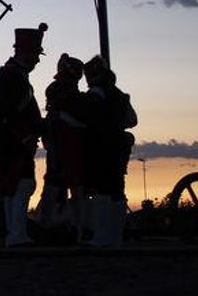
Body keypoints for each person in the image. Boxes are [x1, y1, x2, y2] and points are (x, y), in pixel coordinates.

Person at [0, 23, 48, 247]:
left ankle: (13, 233)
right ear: (25, 53)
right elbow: (7, 111)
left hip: (9, 139)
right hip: (14, 140)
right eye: (35, 54)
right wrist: (24, 135)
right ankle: (16, 234)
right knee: (22, 184)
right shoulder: (12, 76)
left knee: (12, 186)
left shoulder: (12, 75)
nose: (37, 60)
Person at [81, 55, 137, 247]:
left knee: (102, 191)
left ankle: (101, 236)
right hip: (118, 146)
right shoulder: (120, 94)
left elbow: (88, 120)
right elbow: (132, 120)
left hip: (100, 147)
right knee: (117, 191)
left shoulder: (95, 95)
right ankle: (115, 237)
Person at [41, 54, 87, 238]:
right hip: (61, 144)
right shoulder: (67, 95)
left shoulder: (66, 96)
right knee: (64, 184)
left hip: (66, 145)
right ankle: (75, 227)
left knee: (65, 184)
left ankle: (72, 226)